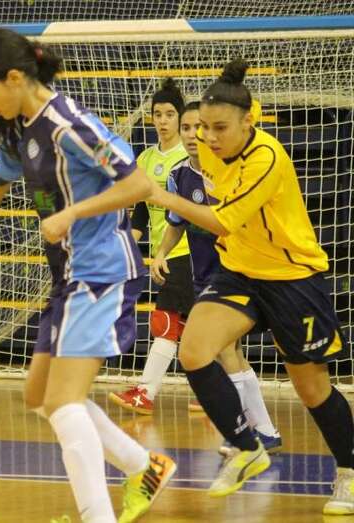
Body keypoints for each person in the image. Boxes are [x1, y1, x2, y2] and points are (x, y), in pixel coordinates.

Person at [0, 28, 175, 523]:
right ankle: (144, 466)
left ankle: (98, 515)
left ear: (15, 78)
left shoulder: (68, 124)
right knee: (41, 397)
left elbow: (139, 184)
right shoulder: (18, 130)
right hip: (69, 276)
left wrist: (72, 213)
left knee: (63, 402)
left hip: (102, 271)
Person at [148, 59, 352, 513]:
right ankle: (247, 447)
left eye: (220, 128)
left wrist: (159, 194)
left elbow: (222, 220)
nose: (209, 137)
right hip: (239, 270)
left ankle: (349, 472)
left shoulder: (266, 158)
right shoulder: (209, 147)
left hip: (291, 277)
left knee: (312, 390)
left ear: (248, 122)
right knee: (194, 351)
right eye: (203, 127)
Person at [151, 101, 281, 455]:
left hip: (235, 273)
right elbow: (176, 223)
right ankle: (263, 430)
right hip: (203, 275)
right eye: (187, 128)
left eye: (199, 128)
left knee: (223, 349)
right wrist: (161, 253)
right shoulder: (178, 175)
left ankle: (244, 434)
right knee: (229, 352)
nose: (193, 135)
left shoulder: (228, 171)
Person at [109, 78, 196, 415]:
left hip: (188, 249)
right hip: (164, 252)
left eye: (170, 114)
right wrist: (126, 247)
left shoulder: (189, 155)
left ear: (181, 118)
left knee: (166, 320)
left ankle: (145, 393)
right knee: (196, 323)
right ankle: (221, 394)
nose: (162, 120)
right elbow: (142, 212)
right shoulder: (145, 158)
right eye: (157, 114)